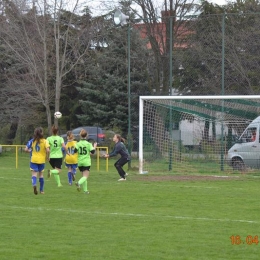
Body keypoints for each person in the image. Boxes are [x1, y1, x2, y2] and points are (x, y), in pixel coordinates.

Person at [24, 127, 50, 195]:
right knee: (41, 175)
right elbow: (48, 150)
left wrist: (30, 151)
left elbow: (26, 149)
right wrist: (48, 156)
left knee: (34, 174)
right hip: (41, 160)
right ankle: (41, 190)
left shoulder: (32, 141)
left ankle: (34, 184)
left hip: (34, 159)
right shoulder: (45, 141)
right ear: (42, 133)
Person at [74, 129, 97, 194]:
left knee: (84, 177)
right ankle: (78, 183)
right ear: (86, 135)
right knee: (85, 176)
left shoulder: (78, 144)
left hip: (80, 162)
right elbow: (93, 152)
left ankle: (85, 190)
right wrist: (94, 146)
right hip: (86, 162)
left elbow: (74, 151)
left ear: (80, 135)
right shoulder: (88, 144)